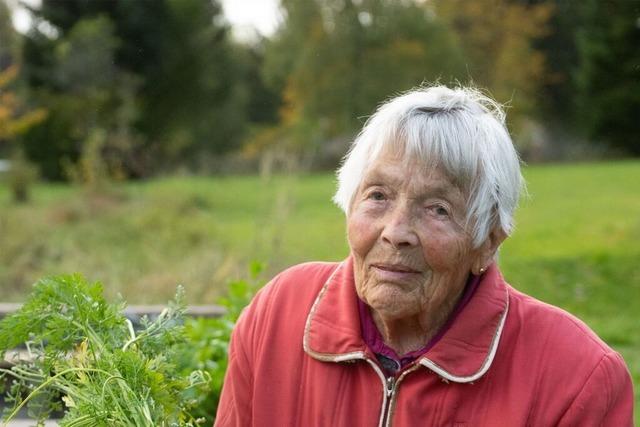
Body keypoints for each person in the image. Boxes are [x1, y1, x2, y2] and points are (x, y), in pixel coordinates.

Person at [214, 85, 634, 426]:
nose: (396, 233)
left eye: (438, 209)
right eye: (377, 196)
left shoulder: (576, 377)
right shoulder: (278, 317)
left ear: (489, 241)